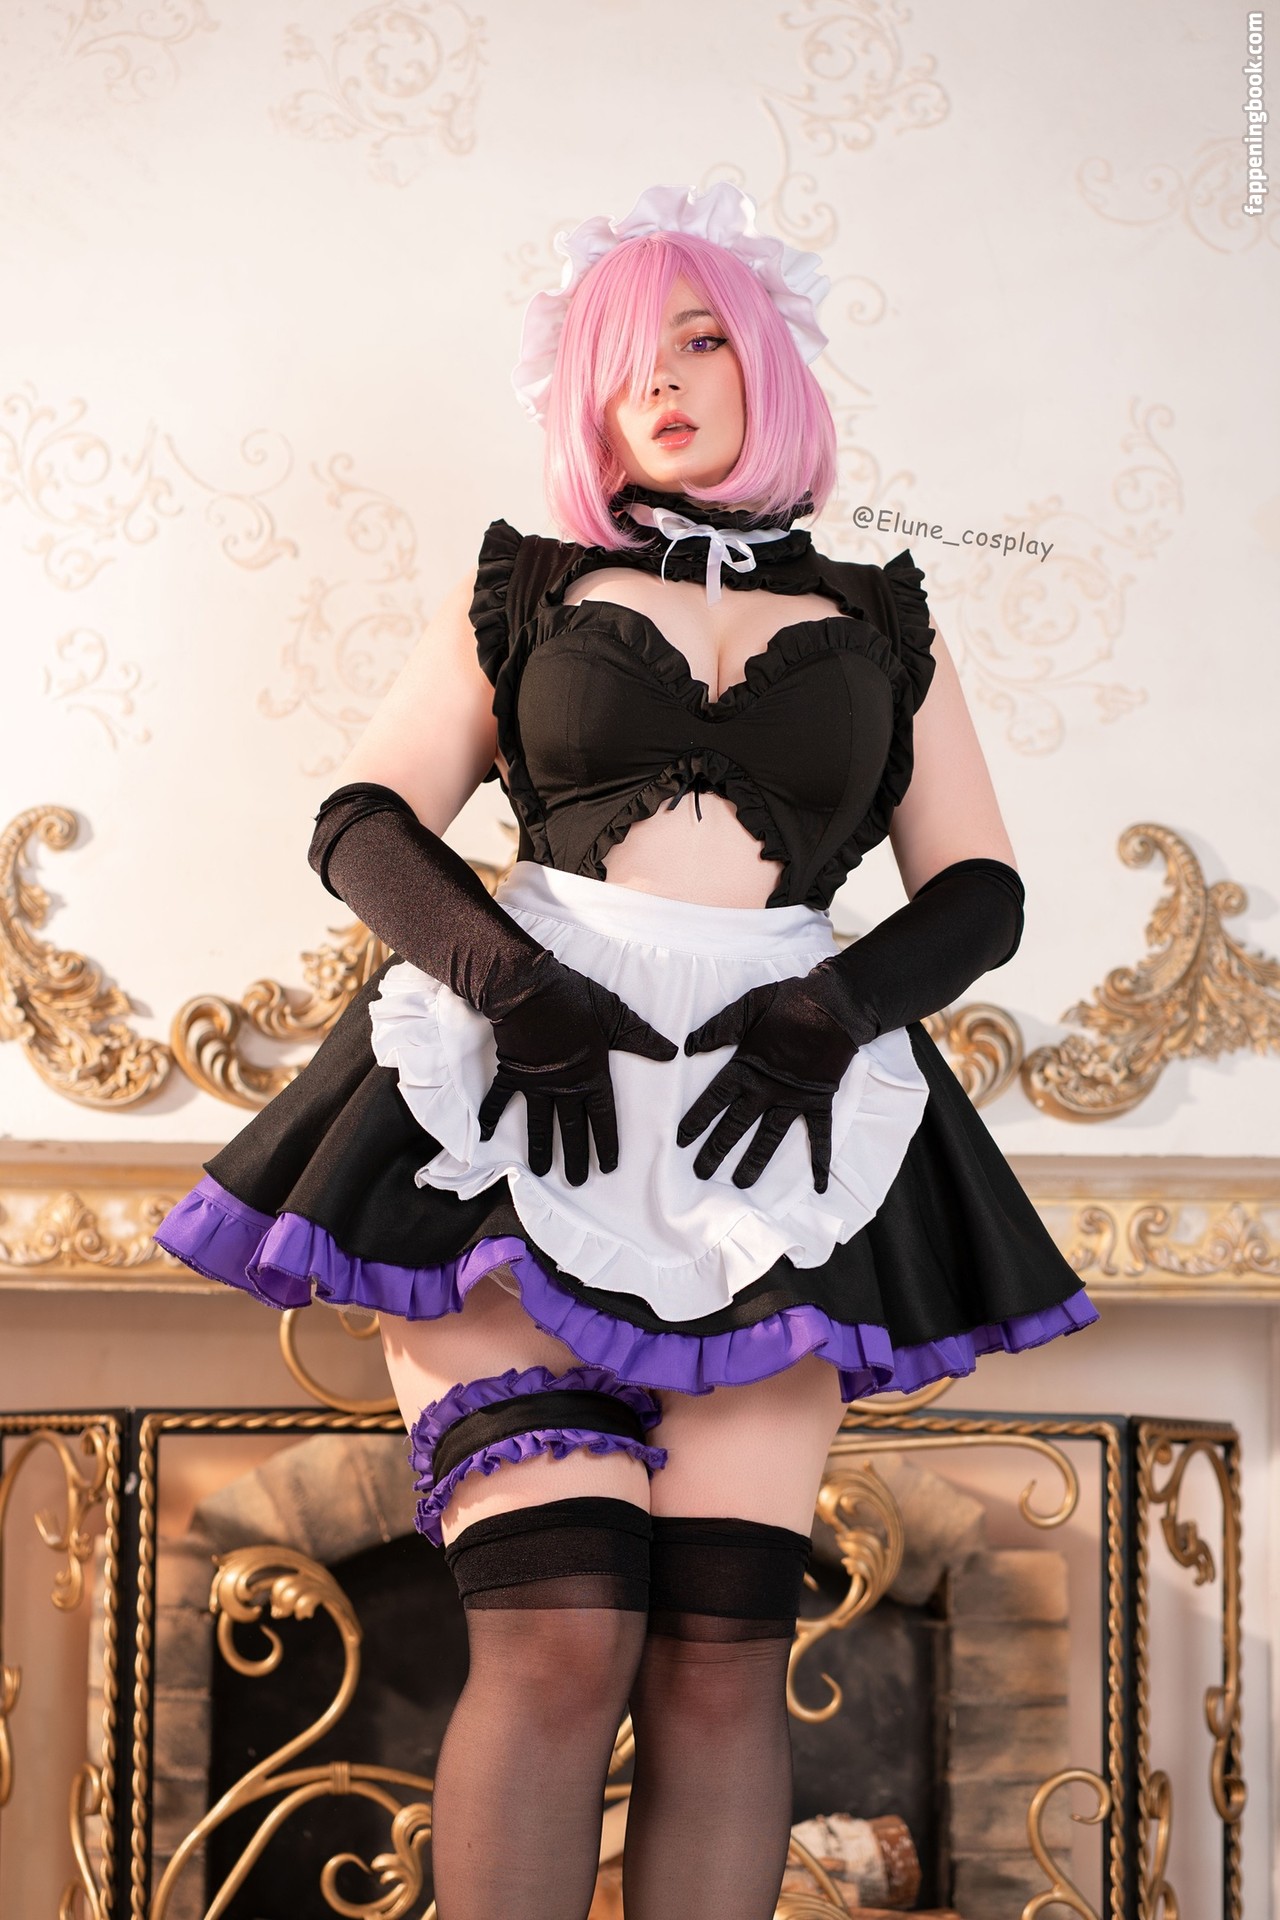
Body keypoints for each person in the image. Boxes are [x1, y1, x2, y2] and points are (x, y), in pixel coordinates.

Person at [154, 181, 1100, 1920]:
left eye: (699, 338)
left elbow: (981, 891)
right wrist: (509, 987)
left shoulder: (886, 623)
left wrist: (830, 1012)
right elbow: (364, 818)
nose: (658, 378)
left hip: (774, 1120)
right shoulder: (523, 591)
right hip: (522, 1106)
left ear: (768, 366)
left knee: (721, 1663)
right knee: (559, 1632)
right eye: (620, 356)